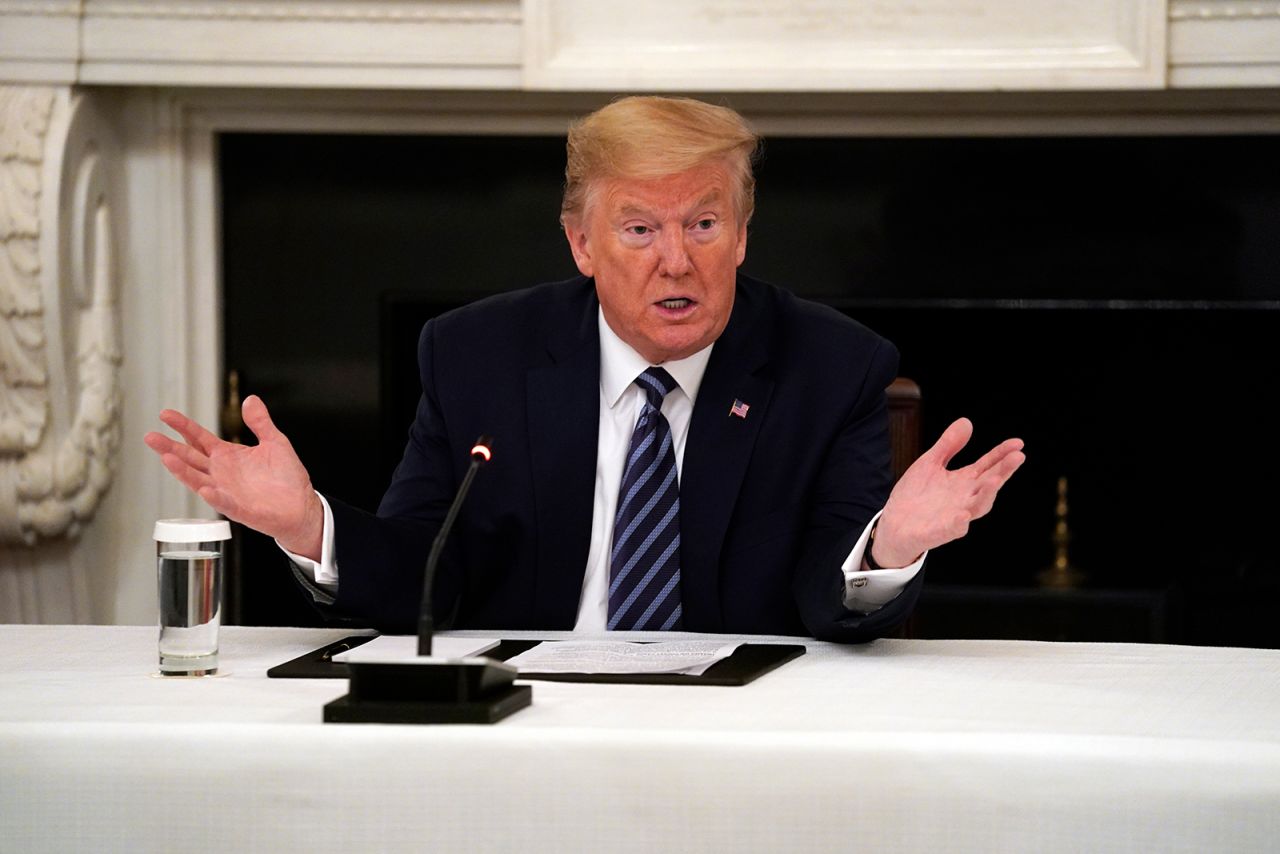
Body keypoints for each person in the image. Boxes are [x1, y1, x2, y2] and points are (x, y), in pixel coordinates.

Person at [145, 96, 1024, 642]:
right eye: (640, 229)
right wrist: (307, 524)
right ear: (582, 244)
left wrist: (889, 546)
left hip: (741, 739)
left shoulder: (831, 365)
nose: (676, 261)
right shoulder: (476, 354)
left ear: (744, 234)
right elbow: (426, 573)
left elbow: (826, 601)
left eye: (705, 226)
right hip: (525, 724)